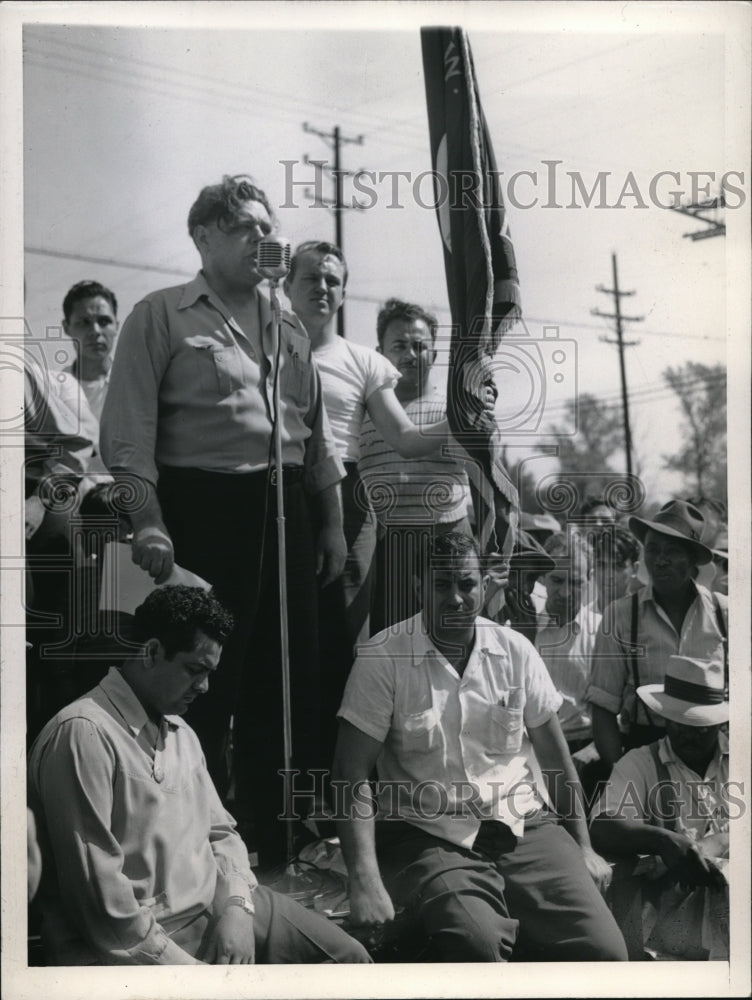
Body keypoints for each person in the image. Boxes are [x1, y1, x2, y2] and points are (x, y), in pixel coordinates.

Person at [100, 175, 346, 863]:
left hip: (286, 510)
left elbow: (314, 438)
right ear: (203, 237)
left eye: (269, 228)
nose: (262, 240)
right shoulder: (160, 315)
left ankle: (277, 839)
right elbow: (126, 438)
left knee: (286, 680)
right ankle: (189, 844)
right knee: (200, 681)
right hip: (200, 511)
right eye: (244, 227)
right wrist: (149, 524)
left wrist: (328, 524)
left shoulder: (289, 326)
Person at [27, 586, 370, 966]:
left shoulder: (180, 731)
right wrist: (193, 977)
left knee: (350, 960)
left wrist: (238, 908)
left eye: (210, 673)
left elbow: (222, 834)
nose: (205, 687)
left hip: (223, 907)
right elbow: (103, 904)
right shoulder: (83, 734)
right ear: (151, 652)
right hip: (146, 945)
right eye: (195, 670)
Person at [332, 531, 627, 962]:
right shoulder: (383, 657)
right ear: (418, 587)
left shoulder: (515, 650)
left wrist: (582, 844)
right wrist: (364, 879)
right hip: (427, 833)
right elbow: (350, 774)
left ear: (484, 586)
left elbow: (554, 758)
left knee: (605, 952)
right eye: (442, 584)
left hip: (522, 825)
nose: (456, 598)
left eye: (466, 584)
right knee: (478, 946)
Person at [590, 655, 729, 959]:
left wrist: (721, 840)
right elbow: (603, 824)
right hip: (674, 930)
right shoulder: (640, 763)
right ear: (664, 717)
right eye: (679, 722)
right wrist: (663, 839)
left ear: (720, 722)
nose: (688, 733)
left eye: (700, 726)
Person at [357, 299, 475, 633]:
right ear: (380, 353)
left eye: (421, 346)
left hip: (447, 535)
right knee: (389, 639)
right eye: (400, 345)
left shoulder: (457, 410)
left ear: (435, 355)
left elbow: (485, 480)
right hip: (383, 543)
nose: (411, 354)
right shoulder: (362, 412)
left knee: (450, 634)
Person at [587, 500, 728, 770]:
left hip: (716, 755)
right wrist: (623, 774)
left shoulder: (723, 613)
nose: (660, 561)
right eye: (652, 550)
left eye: (672, 551)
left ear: (692, 561)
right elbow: (604, 708)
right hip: (646, 752)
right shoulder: (620, 615)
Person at [536, 534, 601, 753]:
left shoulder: (602, 634)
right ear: (543, 576)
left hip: (585, 748)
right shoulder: (521, 631)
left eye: (575, 582)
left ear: (590, 578)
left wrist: (590, 754)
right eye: (557, 580)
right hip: (531, 749)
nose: (565, 592)